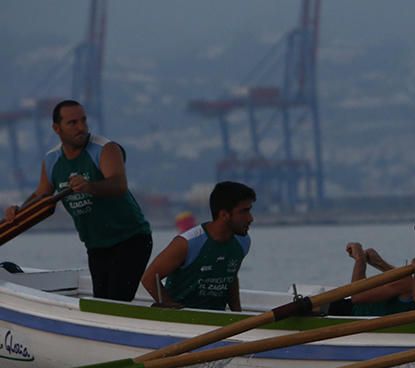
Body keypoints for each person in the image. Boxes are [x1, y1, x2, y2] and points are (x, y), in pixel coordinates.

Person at [3, 100, 152, 301]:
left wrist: (90, 186)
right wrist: (19, 211)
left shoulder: (105, 148)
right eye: (72, 123)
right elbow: (42, 196)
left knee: (114, 302)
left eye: (83, 121)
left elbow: (119, 184)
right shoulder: (52, 160)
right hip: (96, 245)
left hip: (130, 239)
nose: (81, 127)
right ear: (57, 128)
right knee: (102, 302)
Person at [141, 181, 254, 311]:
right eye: (244, 212)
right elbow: (149, 278)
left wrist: (237, 314)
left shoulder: (243, 242)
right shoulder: (187, 243)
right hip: (183, 316)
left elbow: (231, 278)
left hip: (216, 316)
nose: (250, 218)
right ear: (224, 215)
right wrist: (172, 308)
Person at [335, 212, 415, 316]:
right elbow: (404, 285)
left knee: (323, 305)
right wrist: (380, 264)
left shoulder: (413, 281)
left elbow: (356, 296)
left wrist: (360, 260)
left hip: (351, 313)